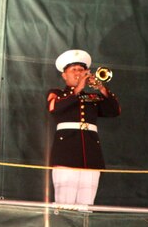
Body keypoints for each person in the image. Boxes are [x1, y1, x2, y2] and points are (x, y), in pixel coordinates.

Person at [46, 49, 121, 205]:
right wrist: (77, 89)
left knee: (86, 204)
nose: (78, 73)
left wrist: (101, 88)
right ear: (64, 75)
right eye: (73, 70)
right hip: (66, 152)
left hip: (91, 153)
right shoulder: (57, 93)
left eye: (81, 70)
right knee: (64, 202)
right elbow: (54, 108)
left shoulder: (92, 97)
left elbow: (114, 111)